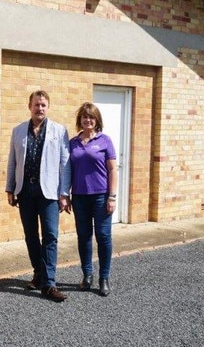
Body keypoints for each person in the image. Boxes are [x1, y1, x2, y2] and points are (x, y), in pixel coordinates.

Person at [5, 90, 71, 302]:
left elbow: (65, 164)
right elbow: (12, 161)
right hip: (26, 191)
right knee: (31, 235)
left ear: (48, 107)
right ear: (29, 106)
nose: (39, 108)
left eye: (43, 105)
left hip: (49, 192)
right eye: (36, 105)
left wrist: (64, 193)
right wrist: (10, 188)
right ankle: (38, 273)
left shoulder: (59, 131)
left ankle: (49, 284)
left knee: (50, 235)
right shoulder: (18, 131)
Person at [69, 102, 117, 297]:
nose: (88, 120)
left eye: (91, 117)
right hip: (79, 197)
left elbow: (113, 169)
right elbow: (68, 169)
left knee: (103, 236)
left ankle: (103, 277)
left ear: (97, 120)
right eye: (84, 117)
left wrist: (112, 197)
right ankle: (87, 274)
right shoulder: (73, 142)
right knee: (84, 236)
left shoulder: (105, 141)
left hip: (101, 196)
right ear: (80, 120)